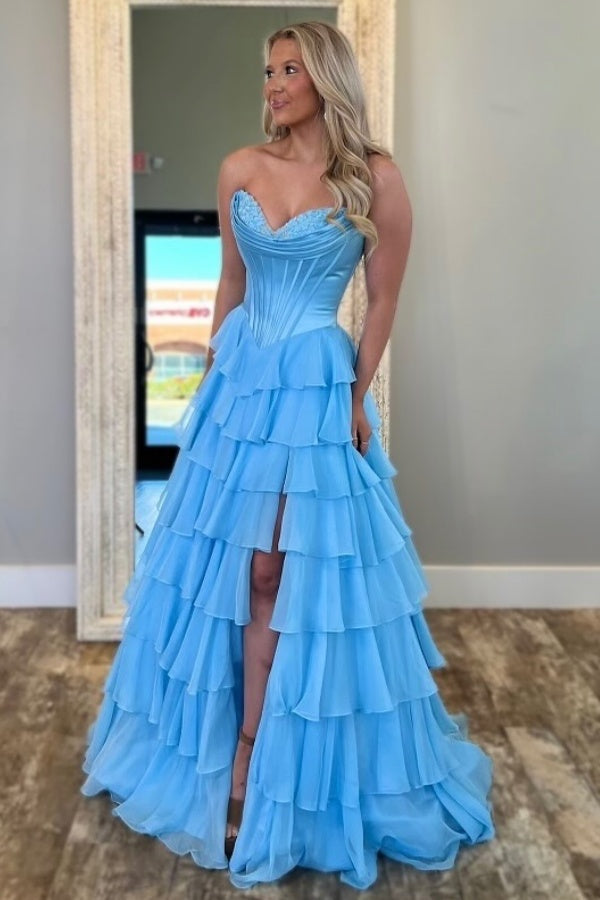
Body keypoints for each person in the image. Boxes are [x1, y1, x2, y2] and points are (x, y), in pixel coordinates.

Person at [80, 20, 495, 891]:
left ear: (326, 77)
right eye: (268, 70)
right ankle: (221, 744)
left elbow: (382, 299)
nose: (272, 84)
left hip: (313, 383)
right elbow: (232, 283)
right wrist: (209, 382)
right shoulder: (241, 167)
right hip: (243, 381)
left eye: (290, 69)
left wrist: (356, 397)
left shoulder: (374, 178)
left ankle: (256, 757)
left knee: (278, 573)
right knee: (220, 569)